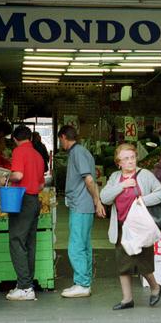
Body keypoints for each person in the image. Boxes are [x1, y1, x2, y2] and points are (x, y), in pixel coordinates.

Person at [100, 143, 161, 310]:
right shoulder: (115, 178)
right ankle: (127, 299)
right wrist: (122, 186)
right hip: (122, 226)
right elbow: (105, 197)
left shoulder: (145, 175)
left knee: (143, 262)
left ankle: (155, 287)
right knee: (123, 263)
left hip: (141, 227)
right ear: (119, 162)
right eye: (126, 159)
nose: (130, 161)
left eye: (132, 157)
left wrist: (143, 200)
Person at [57, 125, 106, 298]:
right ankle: (84, 282)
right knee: (84, 244)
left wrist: (96, 200)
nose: (60, 143)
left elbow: (90, 179)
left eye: (60, 139)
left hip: (81, 204)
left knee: (76, 246)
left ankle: (82, 283)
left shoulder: (77, 152)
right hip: (82, 204)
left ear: (63, 137)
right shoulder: (81, 152)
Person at [5, 125, 45, 301]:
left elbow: (18, 175)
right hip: (35, 200)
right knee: (29, 243)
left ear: (15, 139)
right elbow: (42, 184)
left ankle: (24, 286)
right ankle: (27, 284)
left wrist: (6, 177)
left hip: (21, 199)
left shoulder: (19, 151)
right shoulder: (37, 155)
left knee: (16, 240)